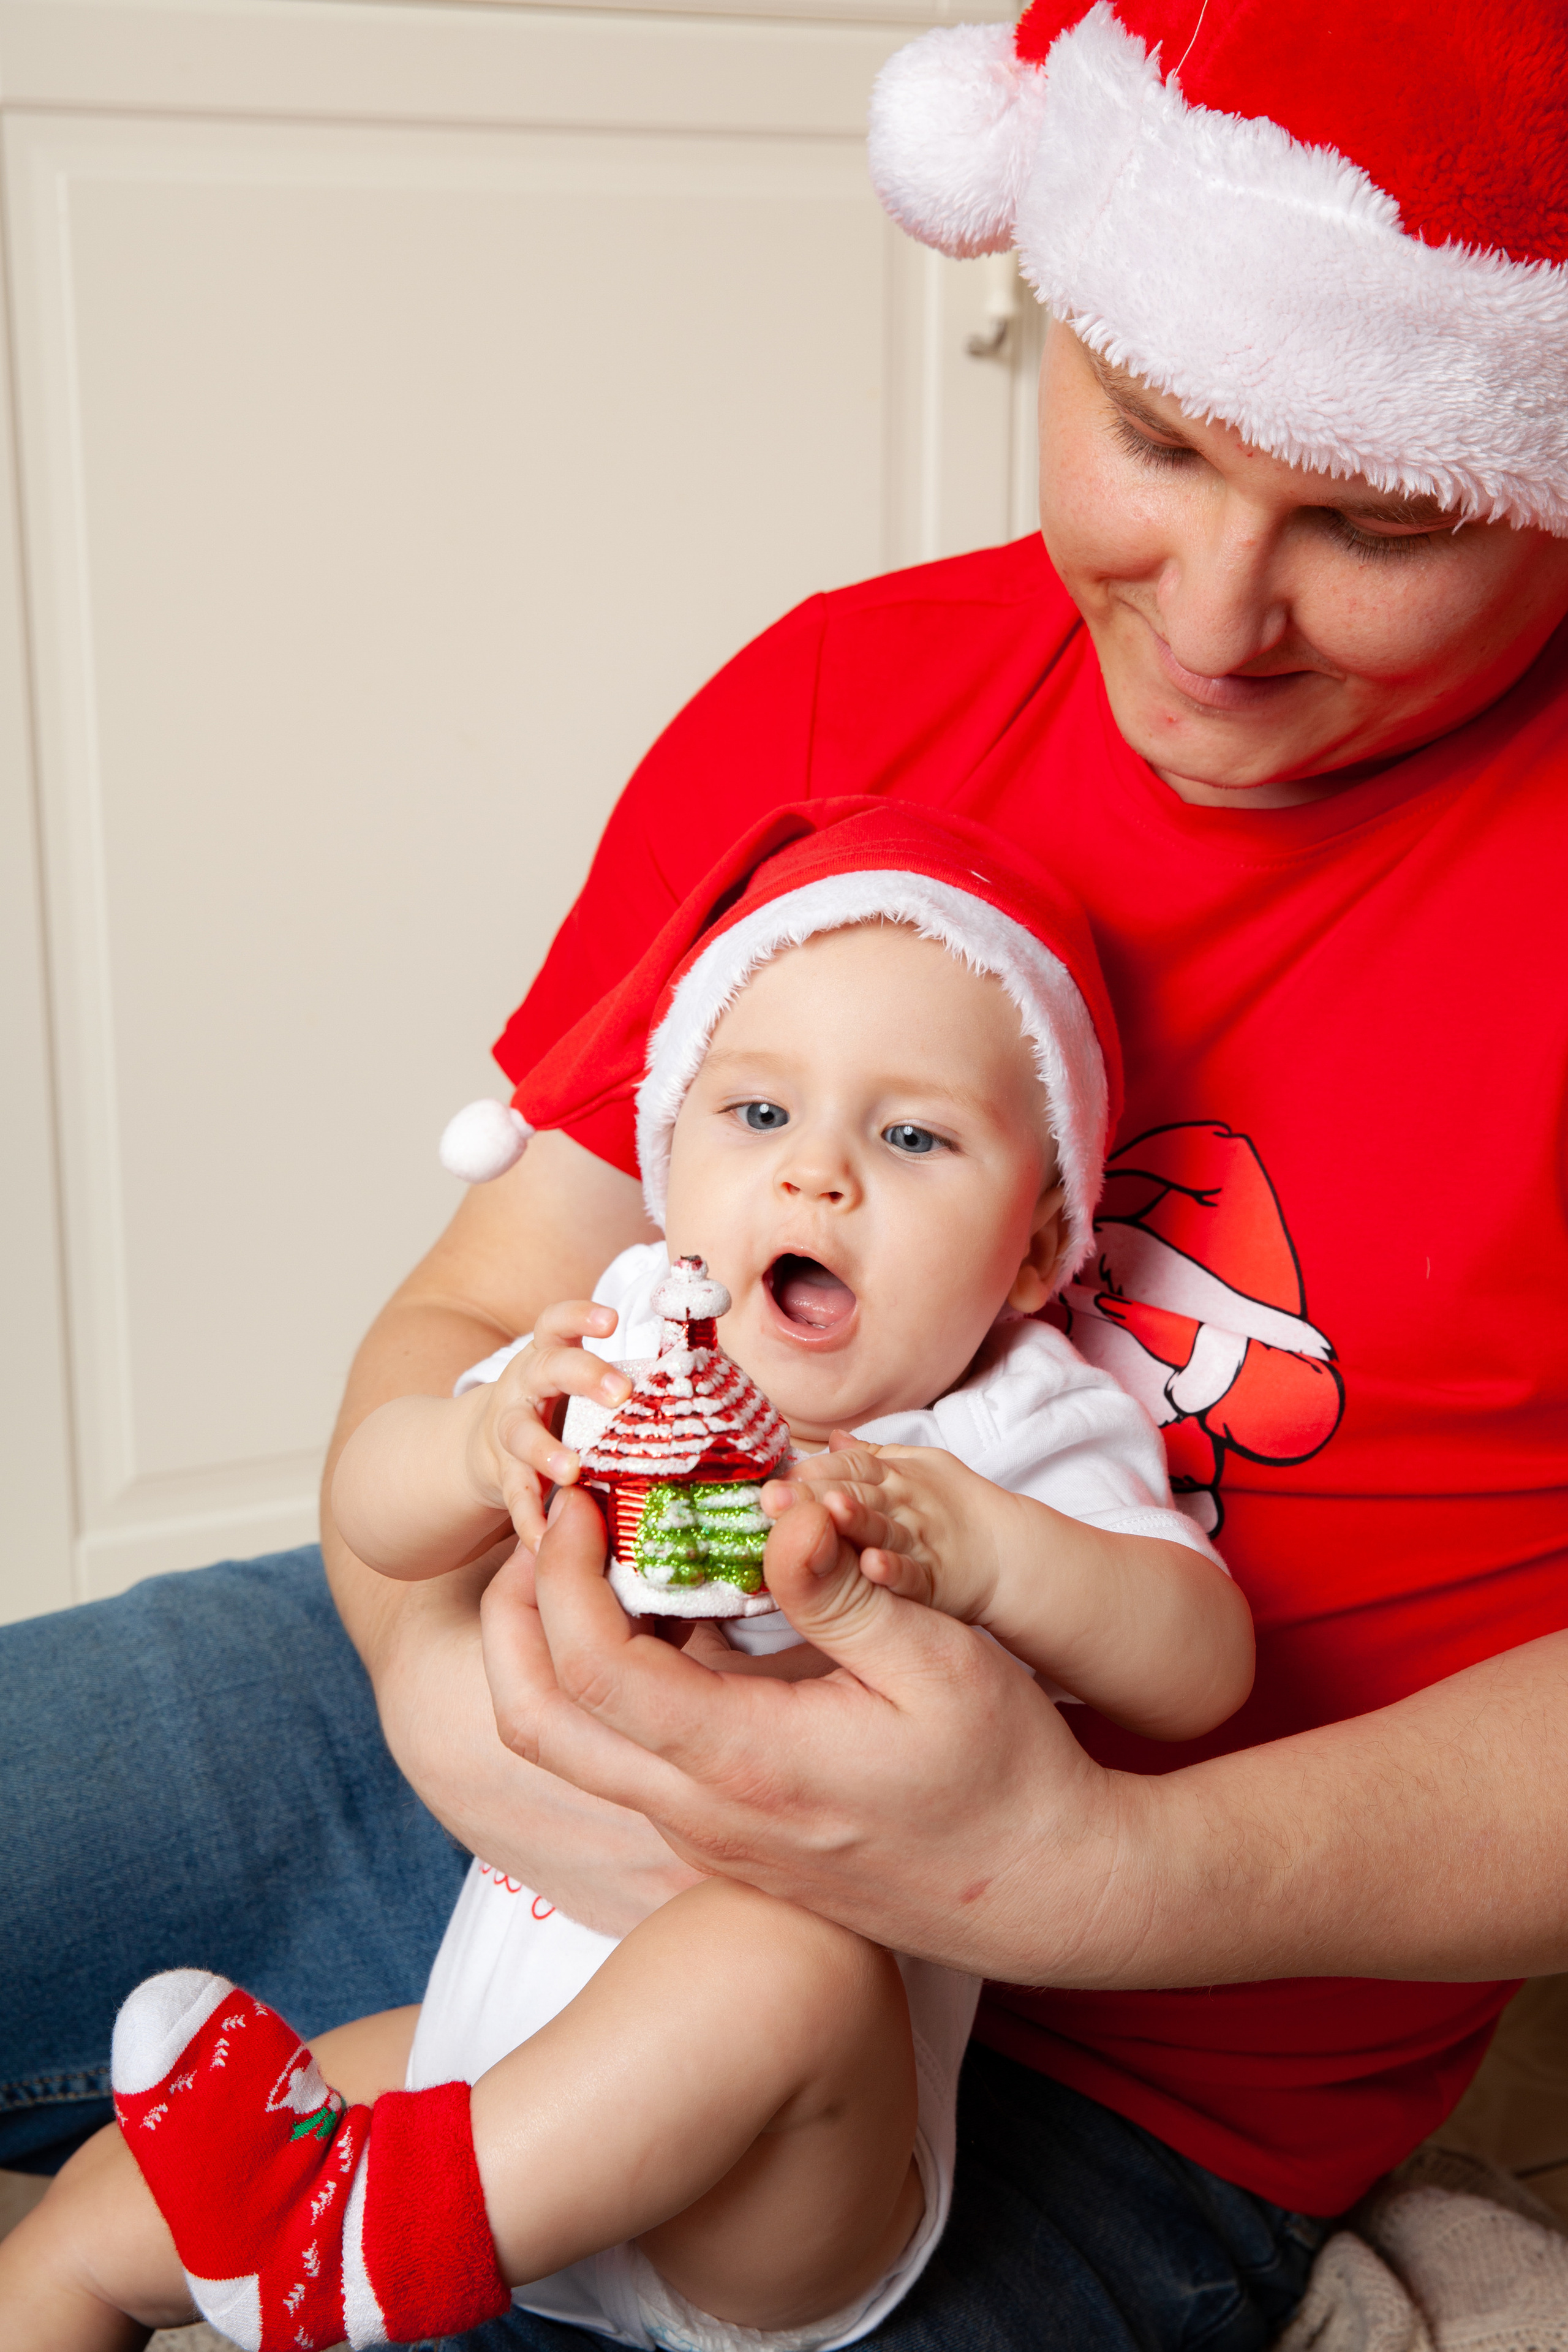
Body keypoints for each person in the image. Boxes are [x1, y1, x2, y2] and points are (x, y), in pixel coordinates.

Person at [4, 0, 1567, 2343]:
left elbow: (1149, 1635)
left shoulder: (1035, 1441)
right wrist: (456, 1689)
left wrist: (1080, 1867)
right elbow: (481, 1315)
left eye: (1380, 521)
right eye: (1149, 437)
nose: (1224, 616)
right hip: (528, 1750)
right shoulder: (852, 700)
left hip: (1121, 2046)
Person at [0, 813, 1249, 2350]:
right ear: (665, 1166)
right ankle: (329, 2228)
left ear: (1036, 1240)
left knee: (781, 1953)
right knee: (90, 2222)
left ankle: (367, 2246)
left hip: (776, 2179)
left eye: (910, 1138)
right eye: (757, 1113)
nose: (816, 1177)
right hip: (496, 2058)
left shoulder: (998, 1429)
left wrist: (990, 1552)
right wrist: (469, 1447)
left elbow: (1199, 1665)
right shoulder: (610, 1354)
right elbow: (378, 1518)